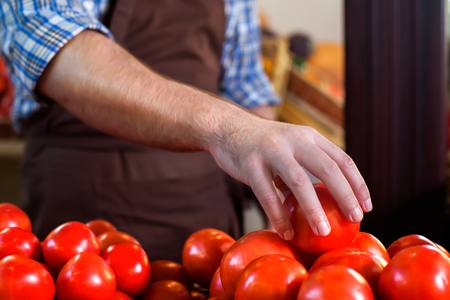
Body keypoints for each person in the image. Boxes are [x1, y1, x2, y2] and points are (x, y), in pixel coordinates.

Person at [0, 0, 371, 262]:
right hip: (82, 224)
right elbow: (59, 53)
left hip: (207, 221)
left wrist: (289, 193)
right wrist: (229, 128)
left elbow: (246, 85)